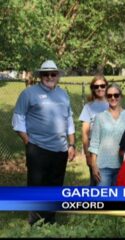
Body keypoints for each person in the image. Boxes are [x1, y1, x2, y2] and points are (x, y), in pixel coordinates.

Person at [12, 60, 76, 225]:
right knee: (37, 185)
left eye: (53, 74)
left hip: (61, 149)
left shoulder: (63, 94)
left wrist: (71, 144)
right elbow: (18, 119)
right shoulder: (29, 93)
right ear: (40, 75)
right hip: (38, 148)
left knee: (55, 185)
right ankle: (35, 222)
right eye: (45, 74)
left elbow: (68, 119)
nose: (49, 77)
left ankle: (50, 220)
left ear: (58, 76)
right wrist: (28, 142)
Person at [89, 83, 125, 186]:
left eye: (116, 95)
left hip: (123, 166)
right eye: (109, 95)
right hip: (103, 167)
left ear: (121, 96)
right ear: (106, 97)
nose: (113, 98)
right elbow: (94, 143)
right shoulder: (99, 117)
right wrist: (94, 166)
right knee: (103, 199)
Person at [79, 75, 109, 186]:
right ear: (93, 88)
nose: (100, 89)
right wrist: (87, 155)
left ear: (107, 86)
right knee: (96, 182)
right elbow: (85, 133)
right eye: (96, 87)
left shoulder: (113, 103)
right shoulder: (88, 107)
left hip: (111, 150)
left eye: (102, 86)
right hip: (95, 151)